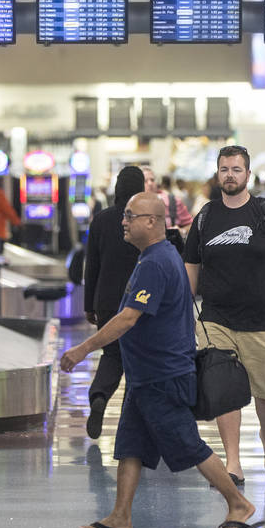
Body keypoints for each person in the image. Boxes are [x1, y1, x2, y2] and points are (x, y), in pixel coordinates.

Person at [60, 192, 261, 528]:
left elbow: (128, 318)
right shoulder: (156, 256)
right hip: (145, 377)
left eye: (130, 215)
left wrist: (83, 349)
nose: (123, 222)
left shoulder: (155, 263)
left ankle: (238, 504)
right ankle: (121, 516)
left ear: (152, 221)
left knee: (189, 445)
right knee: (130, 446)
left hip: (162, 376)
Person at [184, 145, 265, 484]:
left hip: (263, 321)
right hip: (216, 319)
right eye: (224, 169)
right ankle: (233, 461)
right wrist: (182, 311)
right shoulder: (205, 218)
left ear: (248, 175)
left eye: (236, 169)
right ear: (218, 174)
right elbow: (191, 267)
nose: (230, 175)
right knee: (223, 387)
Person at [82, 166, 145, 439]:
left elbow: (91, 266)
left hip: (106, 299)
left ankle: (99, 396)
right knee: (138, 359)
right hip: (140, 300)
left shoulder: (101, 219)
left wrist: (89, 304)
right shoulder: (146, 220)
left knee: (112, 355)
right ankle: (129, 419)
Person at [142, 166, 192, 232]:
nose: (150, 183)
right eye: (145, 181)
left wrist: (182, 231)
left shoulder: (173, 201)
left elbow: (191, 225)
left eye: (152, 180)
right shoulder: (133, 204)